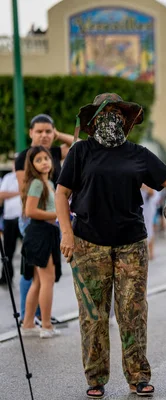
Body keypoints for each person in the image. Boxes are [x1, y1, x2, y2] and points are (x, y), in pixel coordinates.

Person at [56, 93, 166, 399]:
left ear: (125, 119)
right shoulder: (81, 151)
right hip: (87, 243)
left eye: (117, 113)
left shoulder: (138, 153)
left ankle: (138, 377)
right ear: (94, 120)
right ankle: (95, 378)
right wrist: (66, 233)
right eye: (105, 113)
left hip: (131, 244)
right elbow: (61, 193)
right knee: (93, 316)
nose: (112, 118)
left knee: (132, 312)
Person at [15, 114, 74, 325]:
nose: (44, 135)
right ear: (30, 133)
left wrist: (58, 135)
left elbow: (77, 145)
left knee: (40, 275)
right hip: (36, 222)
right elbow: (29, 196)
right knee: (33, 271)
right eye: (39, 131)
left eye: (48, 131)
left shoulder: (54, 154)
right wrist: (58, 214)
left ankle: (36, 317)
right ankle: (30, 316)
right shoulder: (25, 158)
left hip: (50, 221)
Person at [19, 146, 62, 338]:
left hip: (46, 233)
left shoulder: (48, 183)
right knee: (47, 281)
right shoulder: (37, 183)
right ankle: (46, 326)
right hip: (40, 233)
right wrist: (58, 214)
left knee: (38, 281)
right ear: (32, 165)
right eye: (39, 159)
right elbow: (30, 211)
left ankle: (28, 323)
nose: (44, 161)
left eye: (46, 158)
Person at [0, 161, 23, 286]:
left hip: (23, 219)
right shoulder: (8, 177)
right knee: (8, 250)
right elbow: (2, 194)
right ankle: (6, 277)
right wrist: (19, 193)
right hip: (10, 218)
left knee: (28, 249)